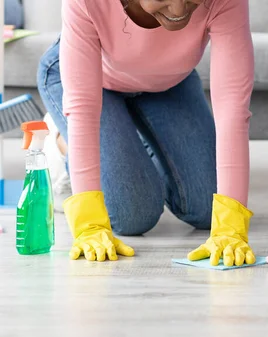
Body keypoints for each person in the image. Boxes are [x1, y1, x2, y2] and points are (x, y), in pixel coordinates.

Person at [37, 0, 256, 265]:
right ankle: (61, 141)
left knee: (206, 209)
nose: (178, 12)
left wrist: (232, 226)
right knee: (132, 215)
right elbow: (83, 109)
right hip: (94, 80)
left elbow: (232, 110)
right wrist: (89, 224)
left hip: (168, 82)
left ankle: (127, 136)